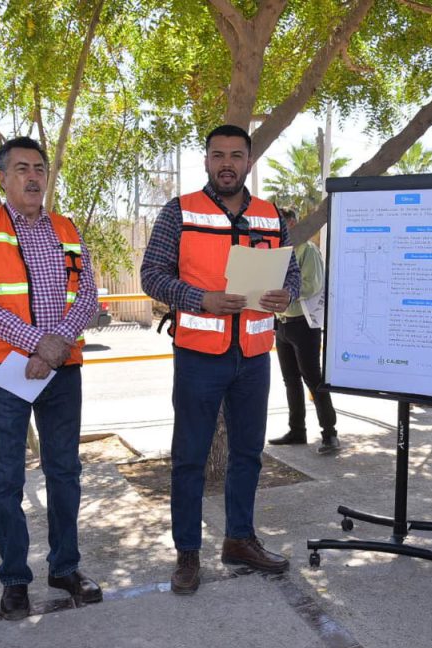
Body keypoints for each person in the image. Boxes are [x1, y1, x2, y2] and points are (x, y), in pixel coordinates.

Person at [141, 124, 301, 595]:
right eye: (218, 155)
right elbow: (152, 274)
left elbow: (290, 270)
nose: (226, 163)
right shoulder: (180, 211)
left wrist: (283, 294)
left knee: (249, 453)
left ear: (249, 162)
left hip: (253, 354)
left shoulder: (272, 216)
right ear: (206, 160)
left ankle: (239, 540)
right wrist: (200, 299)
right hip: (199, 355)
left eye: (236, 155)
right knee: (189, 458)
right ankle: (187, 554)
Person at [0, 136, 101, 620]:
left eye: (39, 168)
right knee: (5, 481)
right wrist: (37, 343)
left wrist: (56, 343)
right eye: (21, 168)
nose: (33, 176)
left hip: (62, 369)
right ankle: (15, 579)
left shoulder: (67, 227)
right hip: (3, 370)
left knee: (65, 473)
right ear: (2, 177)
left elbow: (87, 296)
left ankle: (65, 567)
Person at [268, 207, 339, 455]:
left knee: (313, 379)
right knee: (290, 381)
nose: (280, 228)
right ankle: (297, 430)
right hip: (283, 323)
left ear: (294, 223)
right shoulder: (278, 252)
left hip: (304, 323)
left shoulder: (307, 250)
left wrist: (282, 292)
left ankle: (330, 433)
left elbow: (312, 285)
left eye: (283, 223)